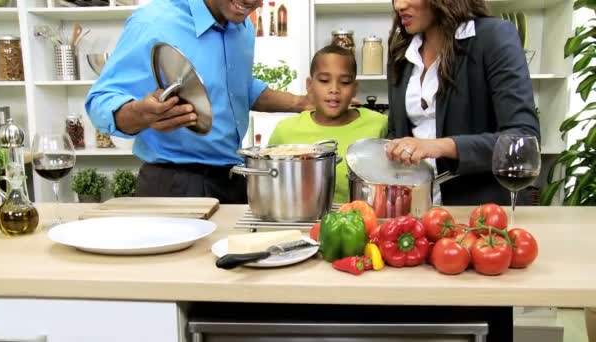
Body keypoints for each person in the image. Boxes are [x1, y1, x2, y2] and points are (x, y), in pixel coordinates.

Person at [85, 0, 310, 203]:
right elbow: (100, 101)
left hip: (233, 179)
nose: (252, 2)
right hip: (174, 185)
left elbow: (238, 88)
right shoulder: (153, 22)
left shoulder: (243, 28)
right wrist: (141, 114)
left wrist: (302, 103)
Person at [385, 0, 541, 205]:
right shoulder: (401, 53)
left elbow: (523, 138)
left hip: (483, 215)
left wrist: (438, 146)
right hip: (416, 214)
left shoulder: (493, 36)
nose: (399, 5)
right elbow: (397, 133)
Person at [269, 45, 388, 203]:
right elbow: (271, 185)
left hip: (363, 222)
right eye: (324, 81)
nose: (334, 89)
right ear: (309, 85)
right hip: (298, 222)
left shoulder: (378, 124)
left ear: (354, 88)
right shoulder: (285, 130)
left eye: (345, 82)